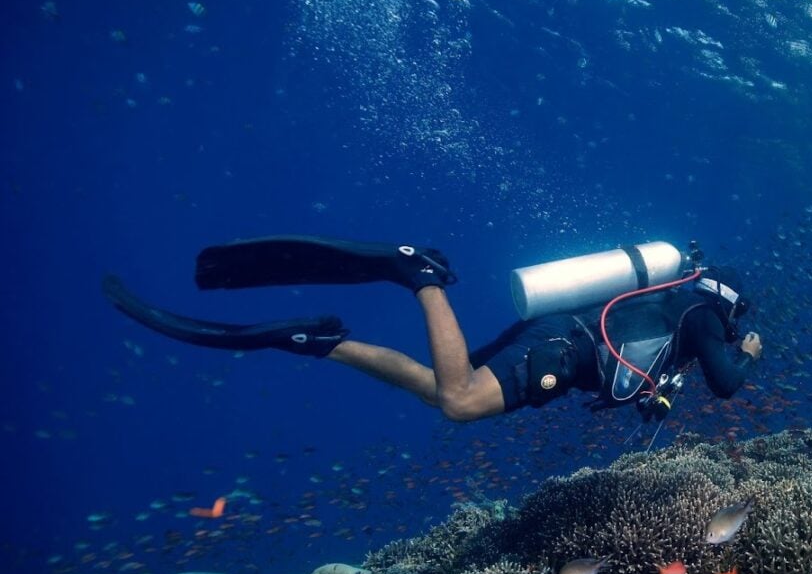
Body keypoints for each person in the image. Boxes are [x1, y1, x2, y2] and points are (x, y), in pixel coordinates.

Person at [103, 235, 762, 421]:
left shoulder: (678, 304)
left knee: (437, 388)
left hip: (555, 338)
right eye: (739, 316)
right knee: (459, 401)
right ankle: (416, 272)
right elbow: (727, 386)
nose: (734, 327)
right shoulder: (706, 318)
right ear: (729, 302)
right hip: (557, 351)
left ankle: (320, 342)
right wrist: (748, 353)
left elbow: (645, 372)